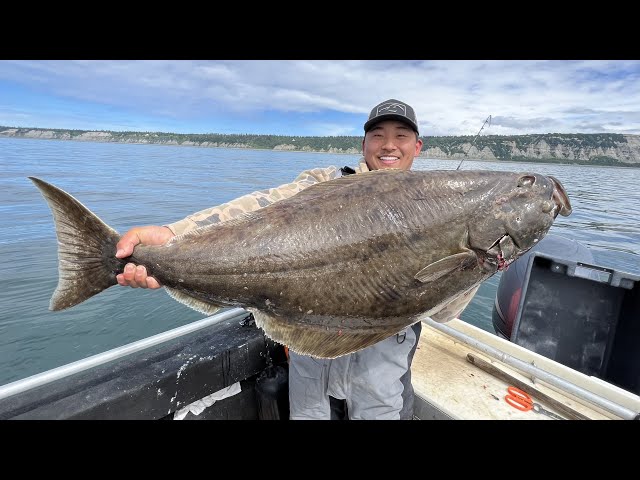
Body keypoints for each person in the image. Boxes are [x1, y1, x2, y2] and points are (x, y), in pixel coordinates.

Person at [115, 99, 470, 419]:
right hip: (310, 381)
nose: (389, 144)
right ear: (363, 145)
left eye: (401, 135)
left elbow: (444, 311)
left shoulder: (444, 206)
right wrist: (174, 235)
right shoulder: (324, 185)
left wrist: (474, 262)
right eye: (377, 135)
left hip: (381, 384)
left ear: (417, 146)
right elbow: (258, 208)